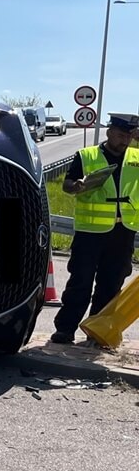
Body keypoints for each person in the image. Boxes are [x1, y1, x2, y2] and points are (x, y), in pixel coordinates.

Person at [52, 113, 139, 343]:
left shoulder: (136, 158)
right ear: (109, 132)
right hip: (90, 232)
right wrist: (77, 186)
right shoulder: (87, 155)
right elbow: (67, 185)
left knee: (111, 284)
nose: (125, 140)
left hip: (123, 231)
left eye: (129, 136)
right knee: (80, 280)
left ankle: (96, 331)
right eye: (121, 135)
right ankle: (65, 328)